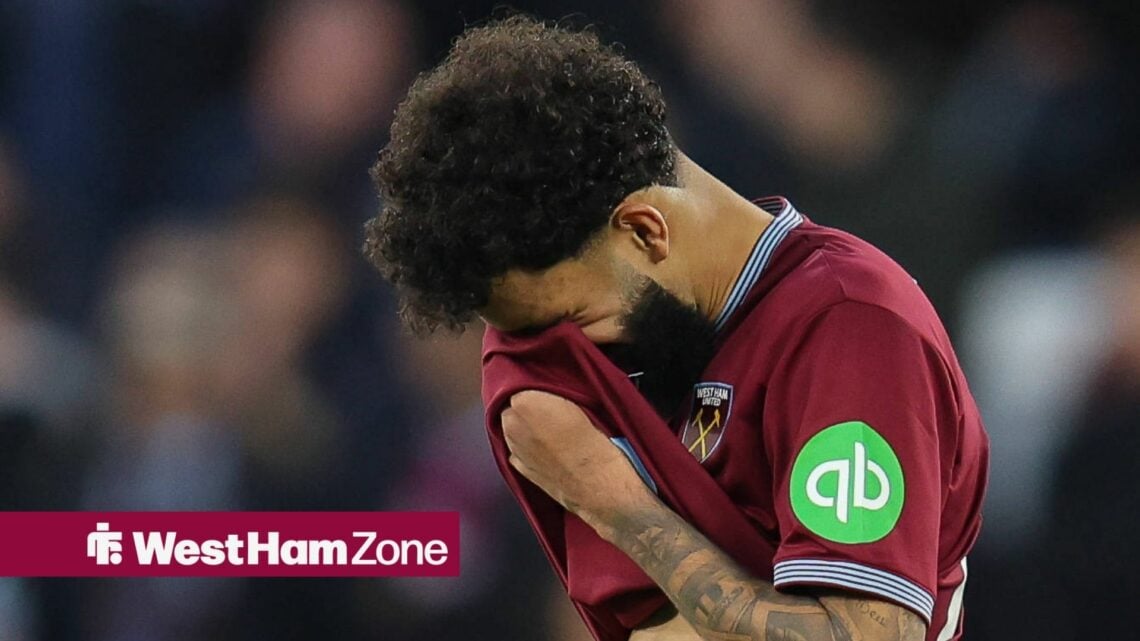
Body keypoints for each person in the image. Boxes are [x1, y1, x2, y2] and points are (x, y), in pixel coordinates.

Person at [364, 16, 987, 641]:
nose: (575, 357)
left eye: (579, 320)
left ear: (645, 231)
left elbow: (873, 634)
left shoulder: (848, 325)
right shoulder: (540, 357)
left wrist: (618, 508)